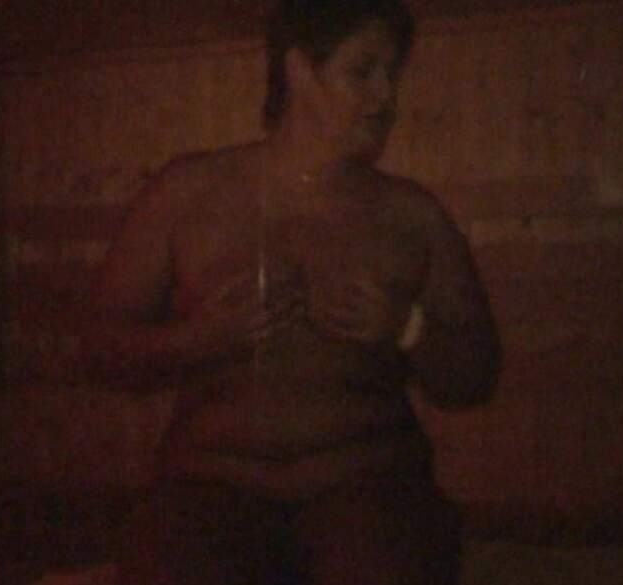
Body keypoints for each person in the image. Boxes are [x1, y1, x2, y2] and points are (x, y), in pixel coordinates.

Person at [75, 1, 501, 583]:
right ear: (300, 71)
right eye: (363, 71)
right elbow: (100, 350)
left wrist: (406, 328)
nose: (386, 97)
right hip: (210, 486)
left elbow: (476, 375)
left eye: (392, 75)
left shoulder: (412, 215)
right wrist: (200, 339)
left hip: (365, 485)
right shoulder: (185, 195)